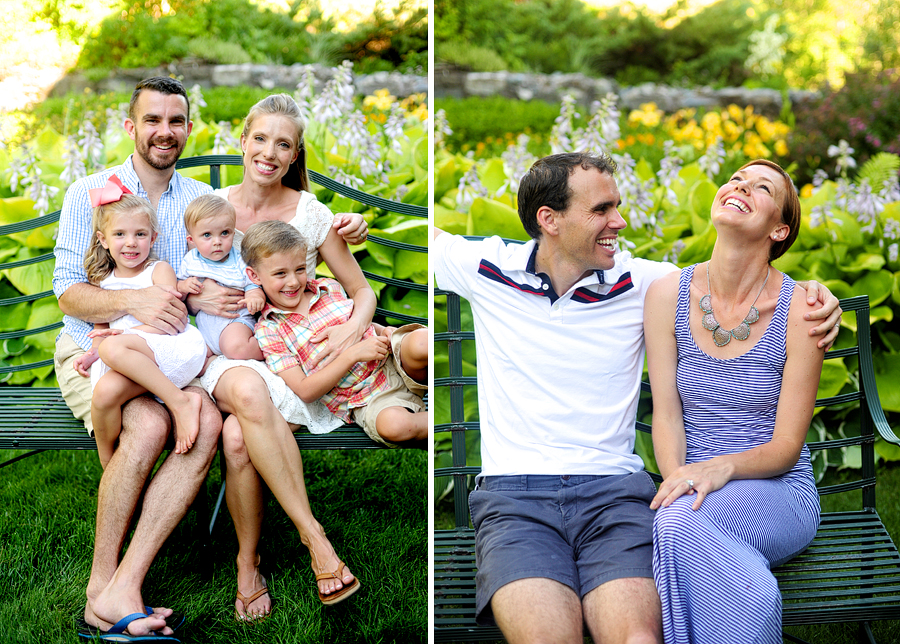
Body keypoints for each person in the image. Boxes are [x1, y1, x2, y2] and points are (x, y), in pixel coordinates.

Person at [432, 151, 841, 644]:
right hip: (520, 499)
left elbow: (740, 284)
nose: (619, 222)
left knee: (651, 605)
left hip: (621, 496)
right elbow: (425, 235)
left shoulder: (645, 282)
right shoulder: (490, 268)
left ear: (780, 228)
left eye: (762, 189)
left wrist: (818, 295)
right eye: (602, 210)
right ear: (550, 220)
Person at [192, 94, 376, 619]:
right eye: (260, 139)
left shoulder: (311, 215)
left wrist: (349, 335)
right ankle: (314, 539)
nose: (269, 152)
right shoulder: (212, 204)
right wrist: (199, 296)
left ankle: (247, 564)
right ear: (242, 140)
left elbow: (361, 293)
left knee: (235, 437)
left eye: (284, 144)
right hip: (226, 357)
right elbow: (172, 267)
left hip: (290, 359)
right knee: (244, 395)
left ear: (296, 155)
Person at [54, 76, 221, 640]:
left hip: (169, 354)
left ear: (188, 130)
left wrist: (337, 232)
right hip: (94, 348)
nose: (164, 132)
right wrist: (136, 301)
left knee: (207, 424)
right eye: (152, 120)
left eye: (175, 121)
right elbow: (68, 292)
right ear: (131, 127)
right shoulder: (89, 192)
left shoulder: (198, 197)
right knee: (148, 424)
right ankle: (102, 590)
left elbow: (253, 241)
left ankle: (122, 584)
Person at [645, 160, 823, 644]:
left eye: (762, 187)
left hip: (777, 487)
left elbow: (787, 445)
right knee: (680, 518)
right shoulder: (666, 295)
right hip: (691, 484)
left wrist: (719, 469)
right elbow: (666, 411)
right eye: (737, 178)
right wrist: (678, 477)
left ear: (778, 228)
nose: (741, 185)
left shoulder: (803, 310)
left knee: (677, 524)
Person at [243, 220, 428, 449]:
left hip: (393, 359)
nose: (293, 281)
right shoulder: (269, 330)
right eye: (280, 273)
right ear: (254, 276)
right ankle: (454, 424)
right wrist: (352, 355)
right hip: (366, 398)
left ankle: (461, 383)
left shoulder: (328, 287)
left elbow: (356, 319)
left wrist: (383, 331)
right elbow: (305, 390)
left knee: (423, 343)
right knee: (395, 426)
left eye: (300, 269)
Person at [73, 188, 208, 468]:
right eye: (120, 234)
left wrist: (123, 337)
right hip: (129, 360)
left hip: (171, 348)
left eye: (140, 234)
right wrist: (93, 353)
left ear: (153, 238)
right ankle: (108, 463)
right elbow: (102, 328)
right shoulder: (103, 280)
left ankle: (181, 402)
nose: (131, 243)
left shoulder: (158, 270)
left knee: (114, 346)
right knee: (103, 395)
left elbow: (172, 321)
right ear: (104, 240)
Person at [177, 193, 264, 360]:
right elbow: (179, 289)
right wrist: (183, 286)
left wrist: (254, 295)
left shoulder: (239, 259)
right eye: (207, 235)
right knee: (191, 358)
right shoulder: (190, 261)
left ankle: (272, 347)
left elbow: (252, 284)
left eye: (224, 233)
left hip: (236, 321)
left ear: (233, 233)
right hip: (206, 329)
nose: (217, 241)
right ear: (192, 239)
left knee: (236, 348)